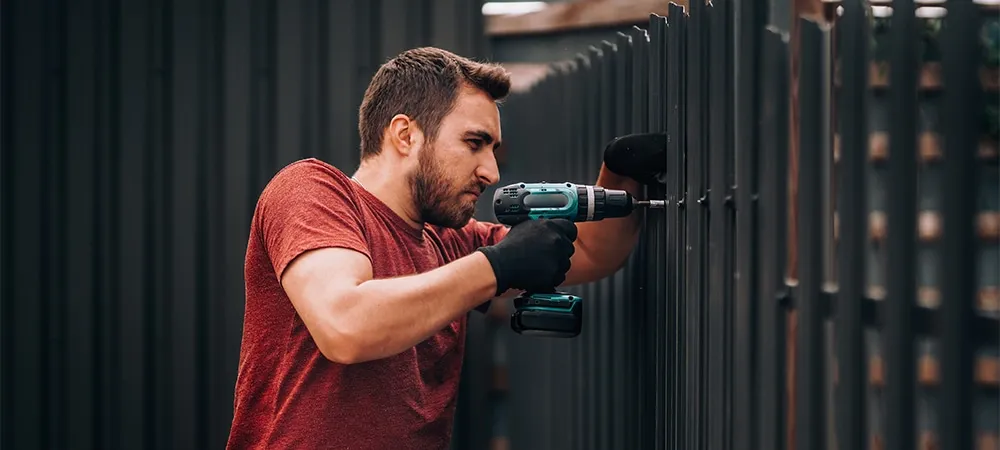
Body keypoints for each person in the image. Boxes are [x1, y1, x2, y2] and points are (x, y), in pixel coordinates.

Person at [226, 46, 666, 449]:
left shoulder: (448, 241)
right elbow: (346, 326)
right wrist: (497, 266)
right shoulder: (311, 191)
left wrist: (620, 173)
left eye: (494, 150)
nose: (491, 171)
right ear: (405, 135)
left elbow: (592, 254)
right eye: (474, 144)